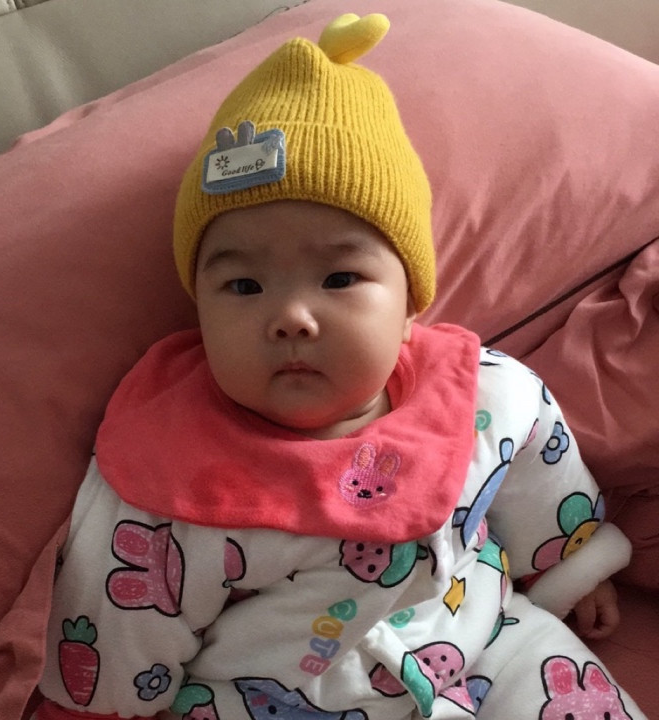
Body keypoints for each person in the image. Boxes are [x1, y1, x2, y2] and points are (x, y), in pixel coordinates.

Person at [36, 13, 647, 720]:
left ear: (410, 304)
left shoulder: (482, 394)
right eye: (244, 286)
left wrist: (571, 562)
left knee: (565, 689)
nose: (292, 317)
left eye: (339, 279)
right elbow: (117, 633)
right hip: (272, 699)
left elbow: (542, 467)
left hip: (486, 639)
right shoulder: (165, 479)